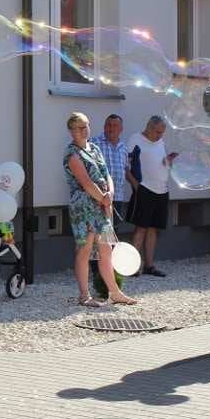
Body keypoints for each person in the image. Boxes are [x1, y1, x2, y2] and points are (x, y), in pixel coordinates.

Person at [65, 112, 137, 307]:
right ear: (71, 131)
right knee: (85, 249)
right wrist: (104, 199)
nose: (83, 130)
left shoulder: (95, 148)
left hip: (101, 205)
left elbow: (107, 174)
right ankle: (84, 295)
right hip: (85, 208)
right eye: (79, 127)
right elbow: (86, 183)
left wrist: (110, 194)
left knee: (106, 249)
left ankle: (114, 292)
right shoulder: (72, 154)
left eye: (85, 125)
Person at [126, 115, 175, 277]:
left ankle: (149, 265)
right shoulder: (135, 139)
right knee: (141, 228)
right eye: (157, 132)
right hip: (145, 189)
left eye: (162, 133)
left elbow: (160, 163)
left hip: (162, 190)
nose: (160, 136)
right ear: (149, 127)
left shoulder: (160, 142)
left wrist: (168, 160)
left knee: (154, 229)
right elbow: (125, 165)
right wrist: (135, 185)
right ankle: (132, 266)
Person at [90, 114, 130, 226]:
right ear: (104, 127)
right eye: (108, 125)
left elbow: (125, 170)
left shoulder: (124, 147)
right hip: (98, 197)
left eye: (115, 125)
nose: (111, 128)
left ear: (121, 129)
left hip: (117, 197)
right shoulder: (93, 143)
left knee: (113, 232)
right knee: (97, 232)